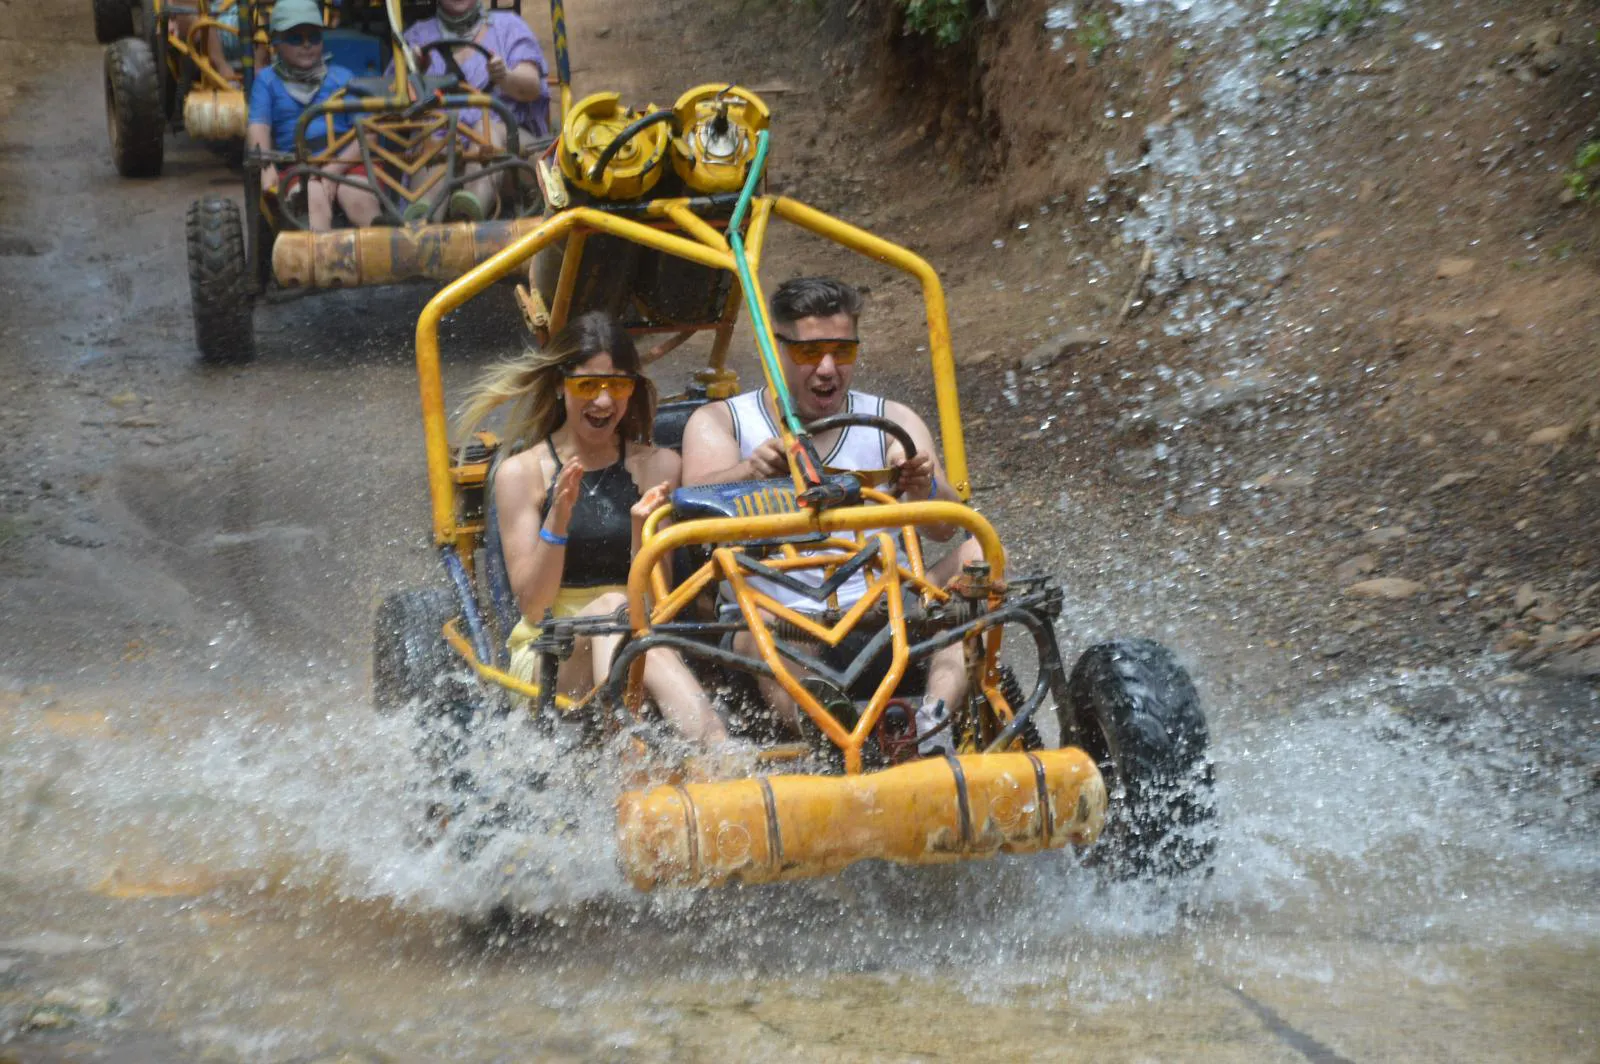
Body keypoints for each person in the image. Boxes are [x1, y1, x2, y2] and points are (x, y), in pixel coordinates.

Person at [680, 277, 987, 755]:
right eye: (810, 352)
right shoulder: (723, 422)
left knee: (979, 552)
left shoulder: (894, 421)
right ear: (774, 350)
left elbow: (945, 526)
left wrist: (922, 483)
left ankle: (932, 723)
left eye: (842, 352)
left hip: (884, 617)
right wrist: (747, 472)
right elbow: (690, 518)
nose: (827, 369)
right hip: (777, 622)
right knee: (767, 633)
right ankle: (832, 739)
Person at [456, 311, 728, 747]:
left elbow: (657, 607)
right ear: (561, 386)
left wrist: (642, 533)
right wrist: (557, 521)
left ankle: (723, 758)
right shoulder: (520, 473)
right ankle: (632, 757)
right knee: (614, 607)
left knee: (627, 617)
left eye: (617, 385)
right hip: (550, 654)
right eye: (588, 386)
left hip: (643, 640)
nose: (604, 401)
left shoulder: (659, 466)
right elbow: (532, 604)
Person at [401, 0, 550, 222]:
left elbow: (531, 86)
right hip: (444, 142)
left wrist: (505, 77)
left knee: (485, 131)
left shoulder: (508, 26)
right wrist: (414, 76)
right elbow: (394, 101)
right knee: (435, 136)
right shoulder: (417, 36)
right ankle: (422, 224)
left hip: (510, 147)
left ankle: (470, 214)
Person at [247, 0, 380, 231]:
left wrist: (331, 172)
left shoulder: (342, 78)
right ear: (277, 42)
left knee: (359, 197)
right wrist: (265, 165)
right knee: (313, 196)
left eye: (314, 37)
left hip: (345, 161)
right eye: (296, 38)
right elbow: (259, 127)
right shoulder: (267, 81)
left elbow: (368, 136)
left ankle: (378, 255)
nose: (307, 45)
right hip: (298, 165)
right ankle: (321, 258)